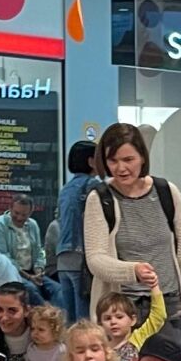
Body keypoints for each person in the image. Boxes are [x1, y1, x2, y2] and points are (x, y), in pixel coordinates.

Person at [84, 123, 181, 328]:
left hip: (168, 304)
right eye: (113, 161)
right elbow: (96, 259)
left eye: (128, 159)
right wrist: (133, 270)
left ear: (142, 157)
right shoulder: (99, 198)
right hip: (121, 309)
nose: (121, 168)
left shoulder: (167, 192)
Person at [54, 137, 99, 321]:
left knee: (70, 320)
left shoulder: (65, 189)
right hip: (82, 259)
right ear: (91, 161)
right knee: (84, 320)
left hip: (62, 258)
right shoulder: (93, 186)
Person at [0, 191, 52, 293]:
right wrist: (28, 277)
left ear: (30, 213)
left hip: (33, 272)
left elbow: (39, 251)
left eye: (24, 215)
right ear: (10, 208)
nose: (19, 218)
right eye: (16, 213)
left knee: (57, 289)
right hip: (12, 273)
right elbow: (3, 257)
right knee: (32, 290)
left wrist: (38, 271)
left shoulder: (33, 224)